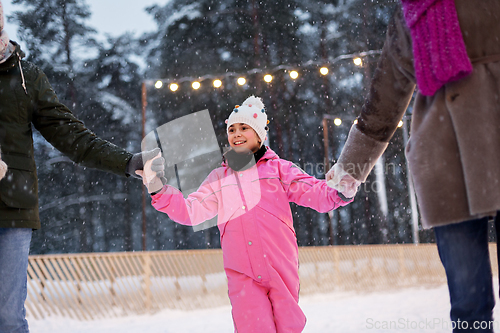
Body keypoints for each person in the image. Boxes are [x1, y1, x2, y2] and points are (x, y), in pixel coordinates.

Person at [326, 0, 500, 331]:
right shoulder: (418, 10)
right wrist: (351, 166)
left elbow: (386, 94)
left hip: (447, 155)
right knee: (468, 304)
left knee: (469, 304)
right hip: (448, 159)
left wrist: (350, 167)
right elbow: (389, 90)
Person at [0, 2, 157, 331]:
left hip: (10, 210)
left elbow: (73, 137)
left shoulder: (26, 79)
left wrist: (127, 161)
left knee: (8, 318)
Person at [137, 95, 353, 333]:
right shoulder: (219, 178)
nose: (236, 133)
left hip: (279, 265)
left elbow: (314, 193)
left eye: (244, 128)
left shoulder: (279, 169)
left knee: (288, 325)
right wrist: (158, 188)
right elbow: (191, 211)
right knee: (253, 326)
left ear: (259, 135)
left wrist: (339, 190)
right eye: (232, 129)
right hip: (242, 272)